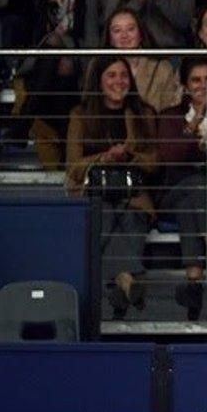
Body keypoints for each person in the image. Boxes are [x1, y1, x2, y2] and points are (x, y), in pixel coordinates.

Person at [66, 55, 156, 319]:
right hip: (95, 195)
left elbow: (155, 163)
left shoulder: (143, 112)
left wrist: (130, 155)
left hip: (133, 196)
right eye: (111, 76)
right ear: (99, 81)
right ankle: (127, 280)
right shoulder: (81, 114)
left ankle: (118, 286)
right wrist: (104, 157)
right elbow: (73, 167)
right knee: (100, 217)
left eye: (123, 75)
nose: (119, 81)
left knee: (131, 220)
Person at [19, 0, 106, 168]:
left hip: (76, 64)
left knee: (59, 49)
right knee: (53, 47)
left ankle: (24, 120)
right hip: (43, 68)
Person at [152, 55, 207, 321]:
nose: (202, 85)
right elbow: (174, 155)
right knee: (195, 186)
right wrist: (198, 120)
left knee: (193, 199)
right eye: (196, 80)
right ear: (184, 85)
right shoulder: (171, 117)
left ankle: (194, 282)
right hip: (174, 191)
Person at [104, 7, 181, 112]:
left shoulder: (162, 68)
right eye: (117, 31)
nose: (124, 35)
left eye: (130, 29)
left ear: (140, 34)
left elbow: (170, 114)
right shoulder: (100, 69)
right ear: (110, 39)